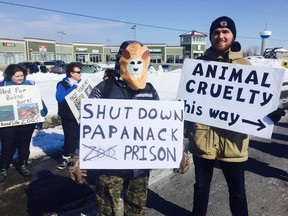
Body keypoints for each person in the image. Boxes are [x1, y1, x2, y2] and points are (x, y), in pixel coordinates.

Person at [186, 16, 251, 216]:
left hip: (233, 142)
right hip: (202, 139)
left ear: (233, 35)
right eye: (216, 32)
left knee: (238, 191)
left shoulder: (246, 68)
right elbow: (188, 103)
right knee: (201, 188)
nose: (220, 36)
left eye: (225, 32)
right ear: (211, 36)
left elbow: (254, 103)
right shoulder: (197, 66)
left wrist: (267, 115)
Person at [88, 40, 159, 216]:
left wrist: (176, 149)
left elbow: (161, 125)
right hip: (110, 166)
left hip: (140, 166)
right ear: (121, 60)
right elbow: (87, 124)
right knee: (107, 209)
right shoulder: (104, 89)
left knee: (136, 209)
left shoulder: (149, 91)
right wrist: (78, 155)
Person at [0, 64, 48, 182]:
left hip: (26, 122)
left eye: (22, 75)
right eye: (17, 76)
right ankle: (3, 168)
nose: (20, 78)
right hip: (8, 122)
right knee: (7, 146)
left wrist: (41, 111)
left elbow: (39, 102)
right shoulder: (2, 86)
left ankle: (23, 165)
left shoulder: (29, 86)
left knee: (24, 145)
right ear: (10, 76)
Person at [56, 62, 82, 170]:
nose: (81, 74)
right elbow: (60, 98)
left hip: (80, 114)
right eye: (78, 72)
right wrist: (73, 89)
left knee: (79, 136)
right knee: (69, 137)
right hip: (68, 116)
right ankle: (65, 157)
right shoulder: (62, 84)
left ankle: (77, 156)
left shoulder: (81, 83)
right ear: (71, 73)